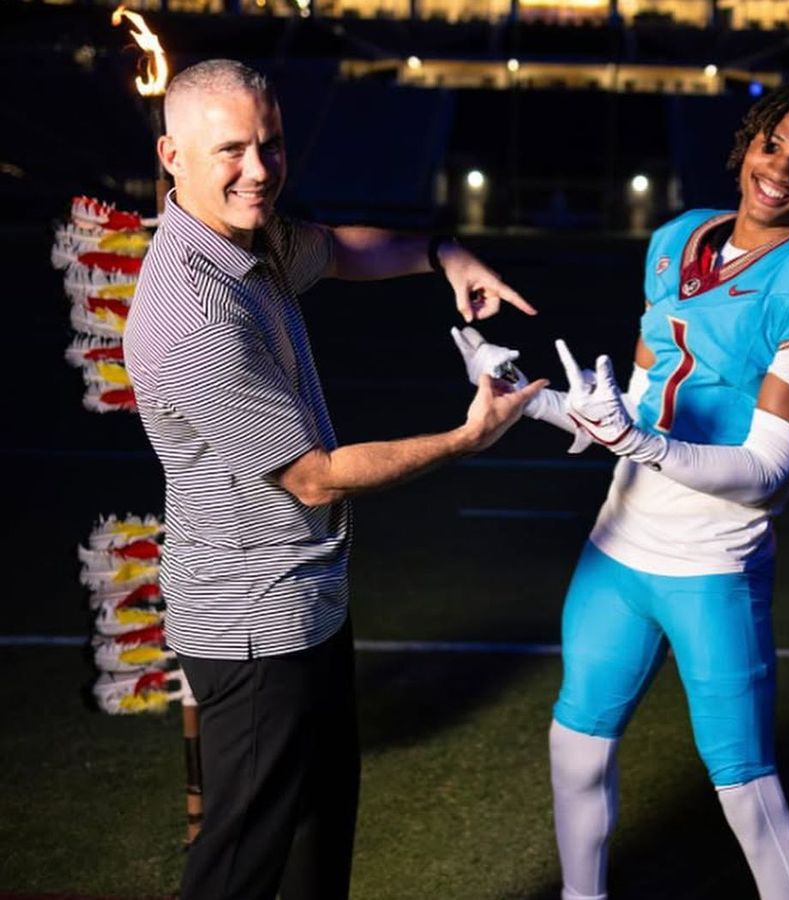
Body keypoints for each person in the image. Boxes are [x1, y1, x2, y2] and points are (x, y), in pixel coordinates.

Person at [454, 84, 789, 899]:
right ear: (748, 143)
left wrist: (640, 441)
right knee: (574, 749)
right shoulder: (679, 242)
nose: (782, 170)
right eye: (774, 145)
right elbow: (631, 409)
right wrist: (523, 393)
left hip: (710, 567)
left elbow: (766, 469)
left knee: (747, 794)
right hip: (615, 554)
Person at [123, 59, 545, 900]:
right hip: (252, 624)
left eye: (271, 144)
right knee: (241, 867)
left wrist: (442, 251)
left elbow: (339, 251)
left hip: (304, 603)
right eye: (232, 151)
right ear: (172, 154)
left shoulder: (248, 239)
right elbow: (315, 479)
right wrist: (467, 437)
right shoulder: (193, 314)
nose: (260, 170)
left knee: (318, 838)